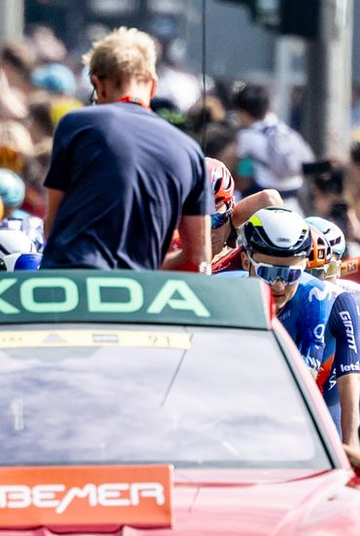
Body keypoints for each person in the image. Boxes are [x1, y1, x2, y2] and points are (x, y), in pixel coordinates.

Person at [42, 27, 211, 272]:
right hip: (137, 300)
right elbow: (198, 258)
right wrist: (140, 270)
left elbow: (52, 229)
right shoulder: (190, 151)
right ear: (153, 86)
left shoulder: (76, 124)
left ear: (98, 85)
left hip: (72, 289)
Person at [240, 208, 360, 449]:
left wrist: (351, 445)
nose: (279, 285)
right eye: (268, 273)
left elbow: (313, 380)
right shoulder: (226, 287)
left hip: (316, 400)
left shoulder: (319, 295)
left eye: (293, 274)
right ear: (245, 261)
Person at [231, 82, 313, 202]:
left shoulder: (246, 137)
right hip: (293, 199)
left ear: (243, 112)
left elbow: (244, 176)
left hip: (264, 200)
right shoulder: (282, 128)